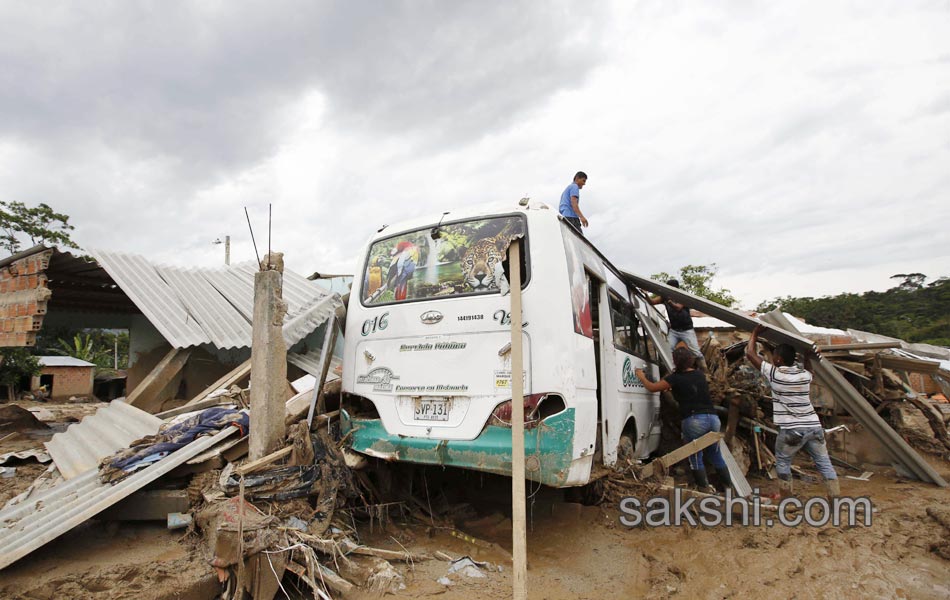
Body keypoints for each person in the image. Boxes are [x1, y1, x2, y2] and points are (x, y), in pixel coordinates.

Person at [745, 324, 839, 499]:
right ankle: (835, 500)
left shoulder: (775, 375)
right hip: (814, 427)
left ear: (779, 359)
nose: (772, 358)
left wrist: (755, 333)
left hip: (792, 429)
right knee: (824, 463)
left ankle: (787, 499)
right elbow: (810, 369)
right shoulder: (804, 376)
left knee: (783, 462)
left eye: (774, 356)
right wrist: (808, 355)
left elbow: (750, 354)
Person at [636, 346, 731, 494]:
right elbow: (691, 390)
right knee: (715, 455)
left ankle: (704, 488)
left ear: (675, 362)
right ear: (690, 360)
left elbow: (653, 387)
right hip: (713, 419)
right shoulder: (699, 375)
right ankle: (728, 489)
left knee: (695, 456)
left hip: (694, 421)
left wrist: (640, 375)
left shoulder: (674, 378)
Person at [648, 279, 707, 369]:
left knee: (695, 352)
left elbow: (678, 308)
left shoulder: (682, 296)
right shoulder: (664, 297)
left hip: (687, 330)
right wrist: (645, 294)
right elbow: (652, 302)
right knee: (668, 349)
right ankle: (672, 369)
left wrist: (669, 302)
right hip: (674, 330)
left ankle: (705, 371)